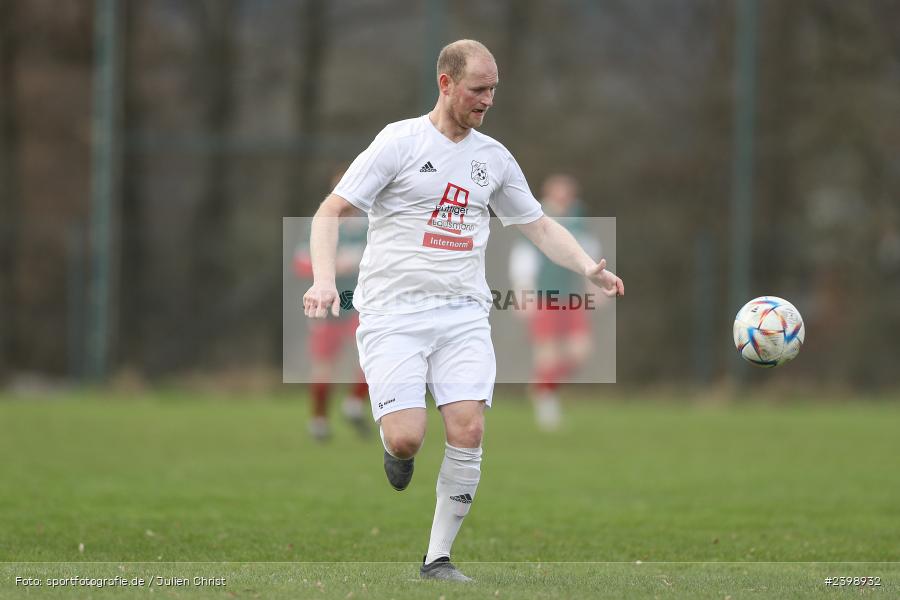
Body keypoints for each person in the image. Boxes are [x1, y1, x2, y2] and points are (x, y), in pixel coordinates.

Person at [302, 39, 623, 582]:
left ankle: (438, 560)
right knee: (406, 436)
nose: (488, 99)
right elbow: (330, 211)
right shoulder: (398, 143)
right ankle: (396, 448)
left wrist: (586, 267)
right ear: (445, 83)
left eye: (494, 89)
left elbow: (539, 225)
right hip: (393, 313)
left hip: (463, 315)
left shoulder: (494, 159)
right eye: (478, 88)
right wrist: (325, 279)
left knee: (468, 429)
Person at [508, 174, 598, 430]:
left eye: (566, 192)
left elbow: (590, 253)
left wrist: (596, 284)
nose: (563, 197)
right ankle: (546, 403)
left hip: (573, 298)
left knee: (580, 351)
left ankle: (541, 386)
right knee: (546, 354)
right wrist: (523, 291)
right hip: (544, 297)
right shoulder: (537, 218)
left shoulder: (580, 219)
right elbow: (523, 257)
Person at [293, 168, 370, 441]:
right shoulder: (322, 222)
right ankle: (319, 420)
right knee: (324, 364)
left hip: (362, 301)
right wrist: (332, 266)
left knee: (372, 356)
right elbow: (300, 262)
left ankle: (355, 404)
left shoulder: (371, 225)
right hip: (328, 303)